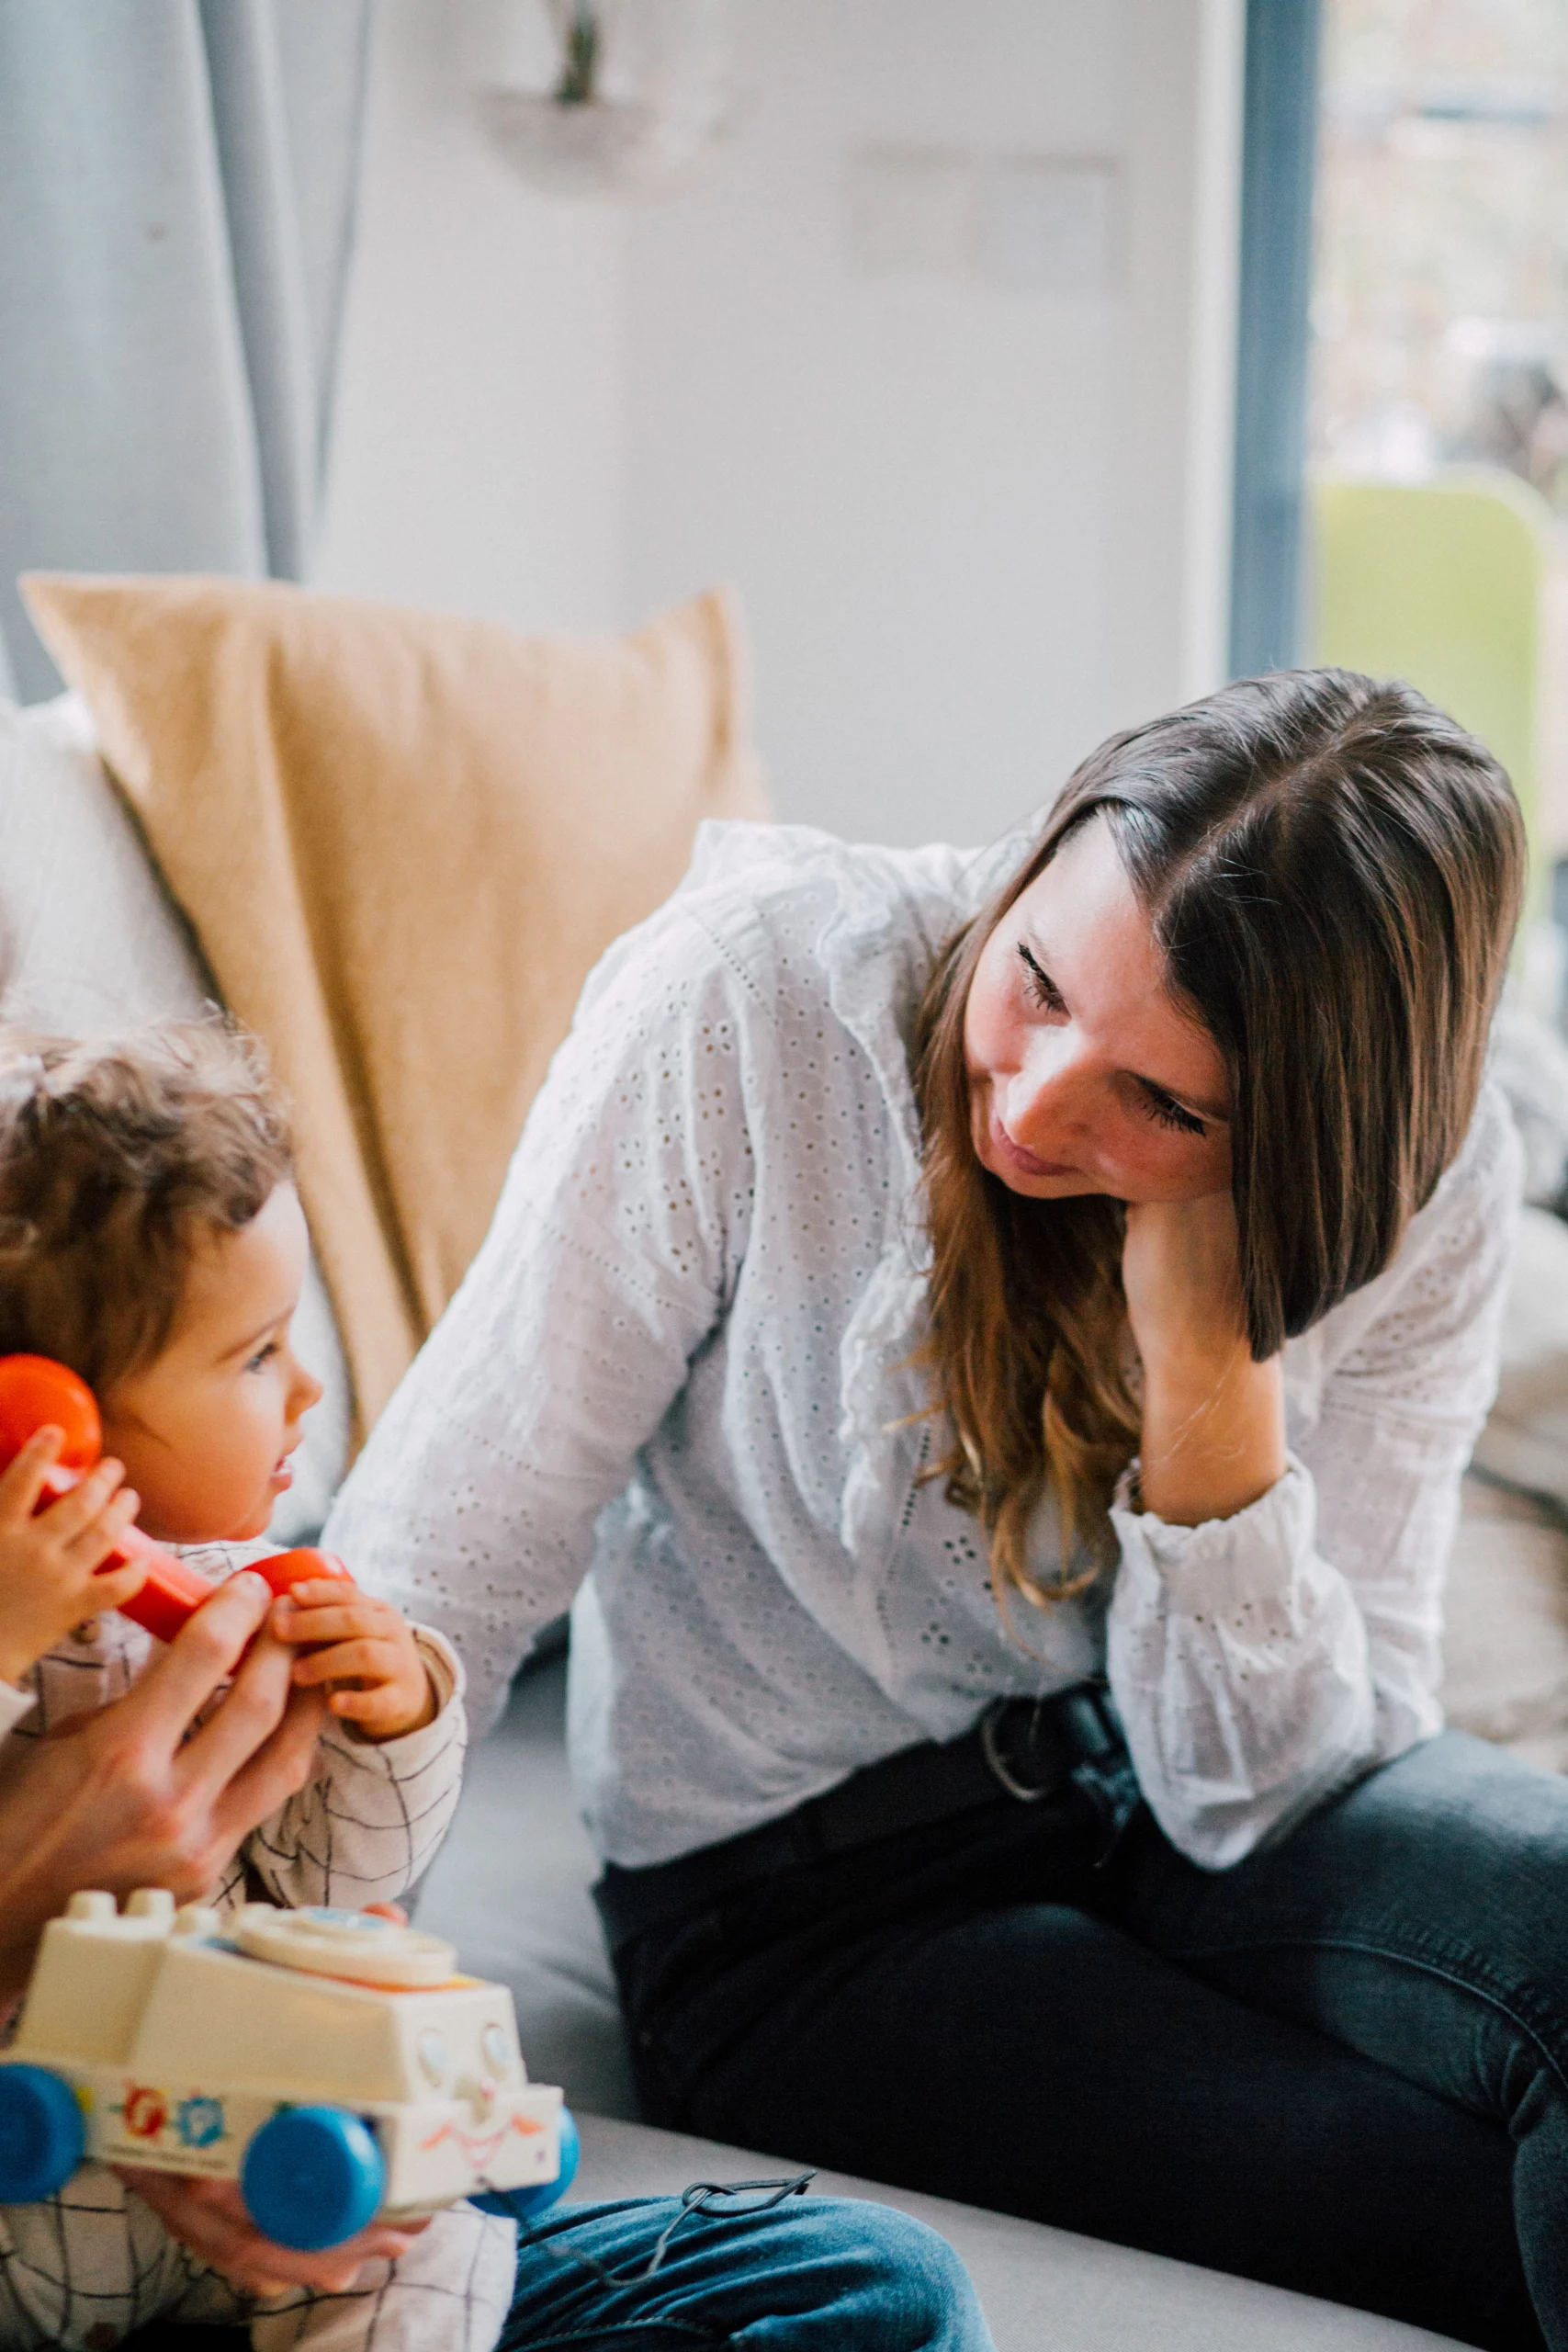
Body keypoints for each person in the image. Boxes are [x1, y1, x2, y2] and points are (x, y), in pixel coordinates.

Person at [328, 667, 1563, 2350]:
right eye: (1039, 981)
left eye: (1168, 1105)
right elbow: (450, 1551)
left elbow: (1270, 1792)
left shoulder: (1436, 1182)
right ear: (1041, 849)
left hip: (1184, 1805)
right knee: (1447, 2205)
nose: (1039, 1105)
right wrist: (260, 1992)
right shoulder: (758, 1005)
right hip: (805, 1910)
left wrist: (1208, 1361)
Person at [0, 1029, 996, 2352]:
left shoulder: (252, 1598)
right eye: (251, 1357)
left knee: (871, 2285)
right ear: (43, 1418)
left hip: (266, 2238)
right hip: (44, 2235)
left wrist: (391, 1720)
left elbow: (345, 1897)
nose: (306, 1390)